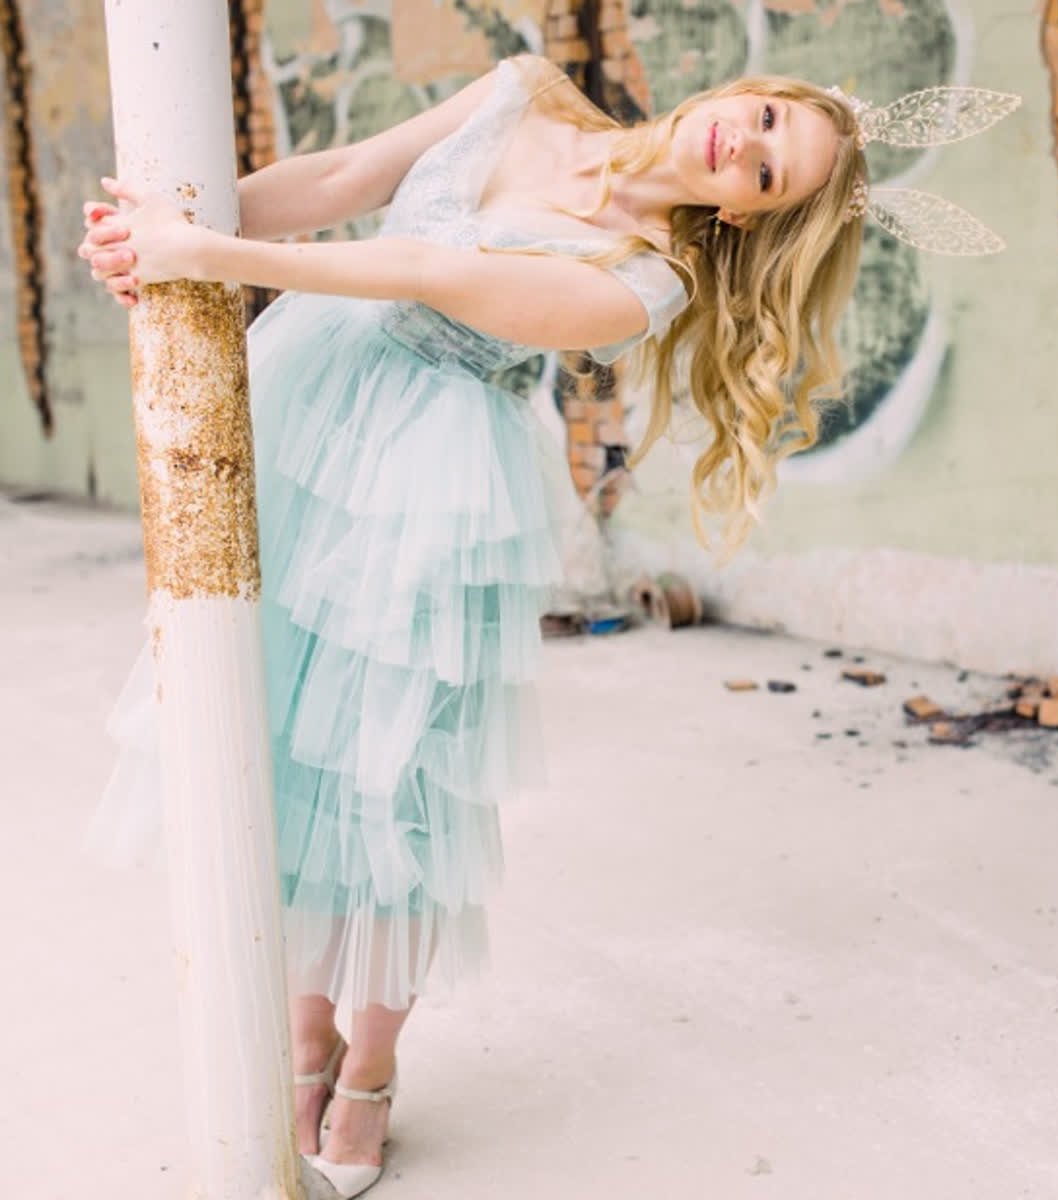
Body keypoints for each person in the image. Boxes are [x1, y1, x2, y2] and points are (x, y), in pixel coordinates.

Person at [79, 52, 865, 1198]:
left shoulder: (647, 283)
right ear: (746, 89)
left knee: (396, 774)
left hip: (435, 481)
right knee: (287, 725)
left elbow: (433, 271)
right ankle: (306, 1036)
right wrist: (169, 225)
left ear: (751, 216)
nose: (738, 148)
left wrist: (210, 257)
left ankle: (374, 1065)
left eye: (765, 172)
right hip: (313, 399)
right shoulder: (525, 90)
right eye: (761, 121)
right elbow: (353, 170)